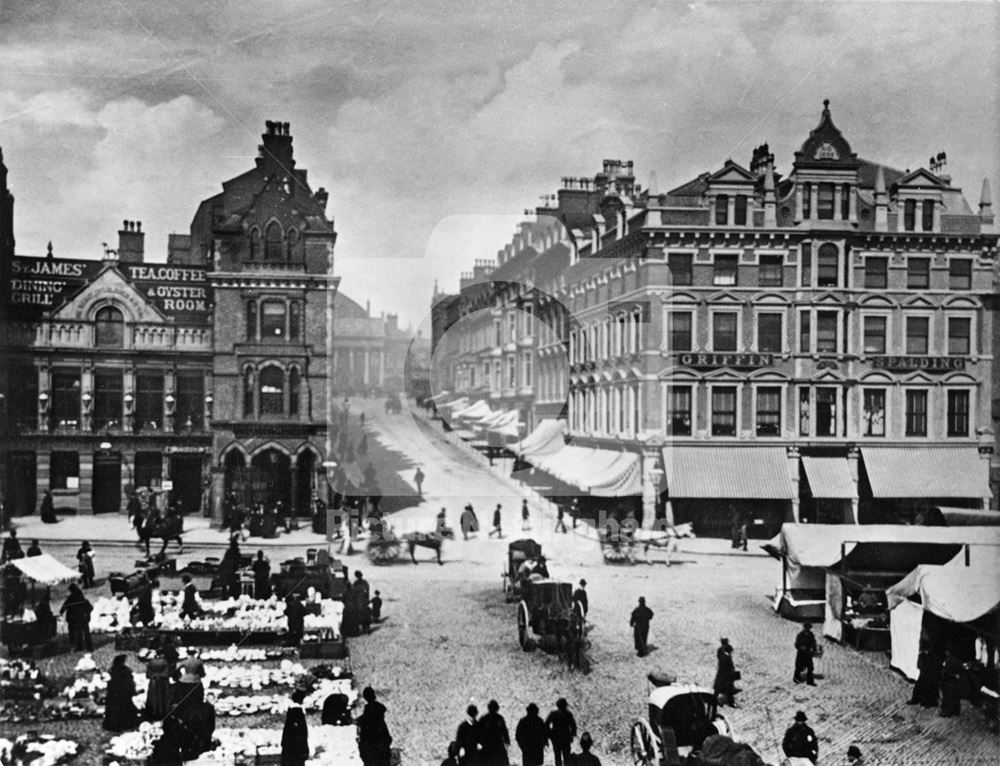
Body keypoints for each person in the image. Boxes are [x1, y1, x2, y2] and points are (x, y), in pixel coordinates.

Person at [103, 654, 140, 732]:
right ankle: (126, 724)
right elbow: (129, 682)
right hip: (123, 693)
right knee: (124, 708)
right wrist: (132, 691)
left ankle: (114, 724)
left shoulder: (112, 669)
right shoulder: (126, 670)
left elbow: (110, 681)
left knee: (114, 709)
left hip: (114, 693)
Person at [357, 686, 393, 766]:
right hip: (382, 753)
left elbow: (363, 738)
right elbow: (387, 737)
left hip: (371, 755)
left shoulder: (366, 718)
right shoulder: (379, 716)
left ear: (365, 697)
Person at [60, 583, 94, 651]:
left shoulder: (71, 598)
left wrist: (61, 611)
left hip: (76, 618)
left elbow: (64, 607)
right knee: (86, 633)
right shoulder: (81, 596)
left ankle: (80, 647)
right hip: (84, 618)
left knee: (79, 633)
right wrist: (86, 613)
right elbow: (90, 607)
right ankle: (89, 647)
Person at [281, 688, 310, 766]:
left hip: (288, 748)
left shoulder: (291, 711)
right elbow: (301, 733)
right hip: (297, 749)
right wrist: (305, 750)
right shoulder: (297, 712)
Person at [477, 699, 510, 766]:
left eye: (494, 708)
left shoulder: (499, 719)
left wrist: (507, 741)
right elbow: (479, 731)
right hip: (488, 745)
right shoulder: (484, 719)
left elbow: (504, 731)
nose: (493, 710)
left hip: (496, 745)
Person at [908, 639, 940, 707]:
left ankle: (922, 700)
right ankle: (924, 701)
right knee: (925, 685)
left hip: (926, 672)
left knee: (923, 685)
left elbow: (919, 665)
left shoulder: (924, 655)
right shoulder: (926, 654)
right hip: (927, 672)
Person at [545, 698, 576, 766]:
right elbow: (573, 726)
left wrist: (550, 734)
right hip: (566, 738)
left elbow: (546, 725)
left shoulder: (553, 714)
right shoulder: (568, 714)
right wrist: (572, 735)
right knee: (566, 757)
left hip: (556, 738)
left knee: (557, 756)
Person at [145, 650, 172, 721]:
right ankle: (162, 712)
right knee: (163, 696)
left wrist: (154, 675)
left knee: (153, 696)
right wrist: (160, 675)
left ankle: (153, 711)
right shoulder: (165, 661)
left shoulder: (151, 662)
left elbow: (148, 674)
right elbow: (167, 673)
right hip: (162, 681)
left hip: (153, 681)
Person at [713, 637, 738, 707]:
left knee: (718, 686)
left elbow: (720, 657)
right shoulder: (725, 651)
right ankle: (730, 702)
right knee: (728, 687)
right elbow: (728, 660)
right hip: (725, 672)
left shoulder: (720, 650)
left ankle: (715, 699)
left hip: (722, 671)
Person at [939, 649, 964, 717]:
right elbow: (961, 670)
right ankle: (956, 710)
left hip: (949, 681)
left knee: (948, 696)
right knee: (955, 696)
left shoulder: (948, 661)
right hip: (955, 681)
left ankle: (948, 712)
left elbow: (945, 672)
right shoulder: (958, 661)